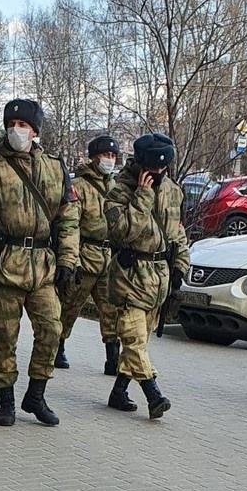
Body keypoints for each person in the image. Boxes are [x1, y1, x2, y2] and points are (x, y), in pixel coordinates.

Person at [0, 99, 79, 427]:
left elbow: (69, 217)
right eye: (11, 124)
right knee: (5, 335)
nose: (17, 130)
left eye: (23, 125)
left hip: (44, 266)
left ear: (35, 130)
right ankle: (7, 400)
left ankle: (36, 394)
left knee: (51, 329)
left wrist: (68, 258)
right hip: (6, 265)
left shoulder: (56, 169)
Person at [103, 132, 189, 419]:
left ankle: (118, 391)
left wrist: (180, 266)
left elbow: (178, 233)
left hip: (159, 278)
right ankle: (154, 394)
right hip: (130, 277)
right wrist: (142, 197)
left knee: (140, 341)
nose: (158, 175)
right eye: (153, 170)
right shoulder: (118, 192)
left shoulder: (173, 191)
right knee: (134, 340)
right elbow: (123, 231)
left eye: (163, 170)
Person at [56, 135, 122, 376]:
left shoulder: (115, 187)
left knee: (110, 309)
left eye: (113, 156)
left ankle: (112, 356)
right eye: (105, 155)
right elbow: (71, 223)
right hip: (84, 255)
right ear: (94, 157)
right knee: (70, 305)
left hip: (108, 257)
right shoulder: (79, 186)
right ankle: (58, 346)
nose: (109, 160)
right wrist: (71, 259)